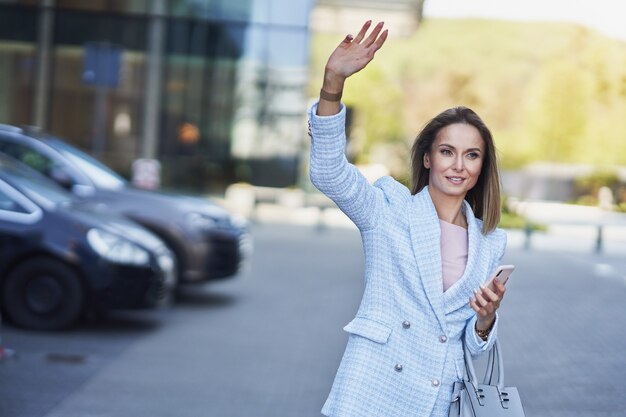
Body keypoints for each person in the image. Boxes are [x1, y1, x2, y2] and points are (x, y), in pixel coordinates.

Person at [308, 21, 508, 417]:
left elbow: (471, 343)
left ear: (482, 166)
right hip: (373, 391)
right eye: (448, 151)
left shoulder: (491, 241)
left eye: (472, 155)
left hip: (439, 398)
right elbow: (329, 172)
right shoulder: (388, 210)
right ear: (428, 158)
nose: (458, 165)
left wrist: (486, 319)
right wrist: (333, 84)